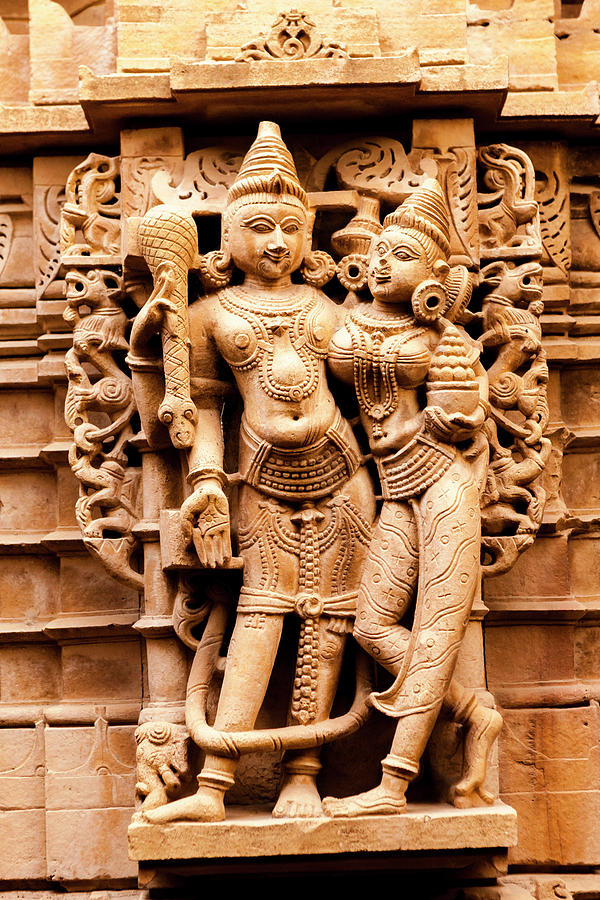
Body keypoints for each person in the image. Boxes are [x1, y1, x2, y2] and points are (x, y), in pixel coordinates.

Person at [131, 121, 375, 823]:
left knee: (330, 623)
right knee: (261, 619)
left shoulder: (325, 308)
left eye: (291, 229)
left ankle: (304, 773)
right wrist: (206, 484)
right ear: (228, 238)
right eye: (259, 226)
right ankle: (215, 783)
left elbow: (371, 393)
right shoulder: (207, 314)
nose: (276, 242)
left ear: (307, 237)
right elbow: (202, 409)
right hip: (260, 482)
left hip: (345, 475)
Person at [324, 179, 502, 817]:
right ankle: (475, 713)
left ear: (434, 275)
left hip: (446, 484)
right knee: (370, 624)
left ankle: (393, 785)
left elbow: (461, 413)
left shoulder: (447, 341)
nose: (381, 262)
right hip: (396, 489)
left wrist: (448, 408)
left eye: (399, 256)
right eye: (379, 252)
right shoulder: (360, 317)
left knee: (434, 629)